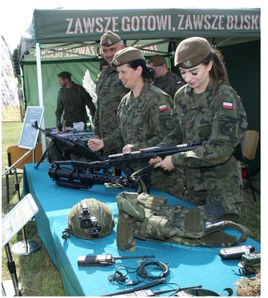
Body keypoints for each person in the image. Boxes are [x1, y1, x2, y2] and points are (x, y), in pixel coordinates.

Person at [151, 37, 248, 221]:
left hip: (220, 189)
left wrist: (176, 160)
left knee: (222, 241)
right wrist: (161, 151)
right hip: (192, 186)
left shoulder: (224, 97)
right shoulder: (182, 96)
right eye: (183, 72)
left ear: (209, 65)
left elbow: (220, 149)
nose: (188, 78)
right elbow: (176, 133)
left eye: (194, 72)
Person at [87, 47, 183, 198]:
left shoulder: (157, 99)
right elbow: (122, 131)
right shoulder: (125, 101)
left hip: (161, 180)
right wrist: (105, 143)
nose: (120, 77)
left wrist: (137, 148)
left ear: (138, 70)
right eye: (118, 72)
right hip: (136, 177)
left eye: (123, 72)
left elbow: (169, 137)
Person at [93, 31, 129, 147]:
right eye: (105, 50)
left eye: (113, 49)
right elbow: (100, 105)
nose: (108, 54)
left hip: (126, 139)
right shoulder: (104, 74)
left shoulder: (131, 71)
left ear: (122, 47)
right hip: (106, 141)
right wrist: (97, 133)